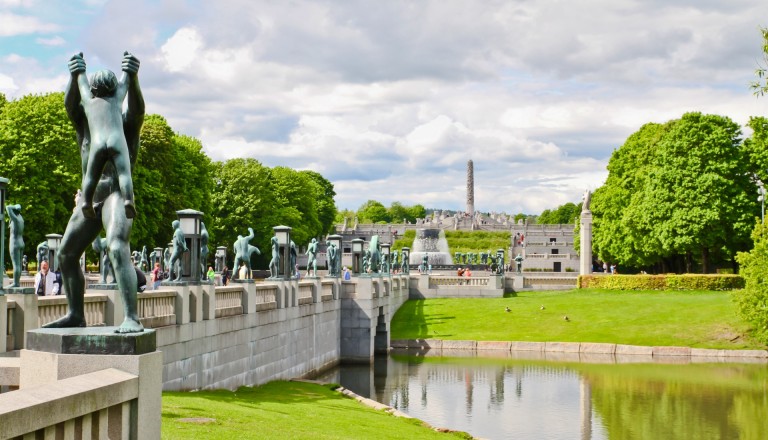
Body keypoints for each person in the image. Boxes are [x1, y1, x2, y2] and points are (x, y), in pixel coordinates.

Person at [44, 51, 144, 334]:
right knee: (65, 254)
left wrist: (133, 78)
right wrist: (74, 75)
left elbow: (137, 111)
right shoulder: (85, 127)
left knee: (115, 245)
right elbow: (72, 105)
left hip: (115, 194)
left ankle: (132, 318)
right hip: (91, 198)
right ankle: (76, 314)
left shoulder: (124, 126)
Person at [70, 52, 137, 220]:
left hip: (98, 143)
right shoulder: (117, 98)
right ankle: (129, 200)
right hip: (116, 140)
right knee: (124, 174)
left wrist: (80, 71)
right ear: (114, 88)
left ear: (93, 89)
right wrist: (128, 69)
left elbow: (82, 83)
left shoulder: (88, 101)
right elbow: (126, 81)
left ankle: (86, 202)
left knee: (91, 175)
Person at [6, 204, 24, 287]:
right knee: (19, 265)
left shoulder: (16, 219)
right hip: (21, 242)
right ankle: (17, 282)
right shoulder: (21, 218)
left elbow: (8, 208)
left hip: (15, 243)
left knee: (16, 265)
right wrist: (17, 207)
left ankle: (15, 283)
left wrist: (15, 206)